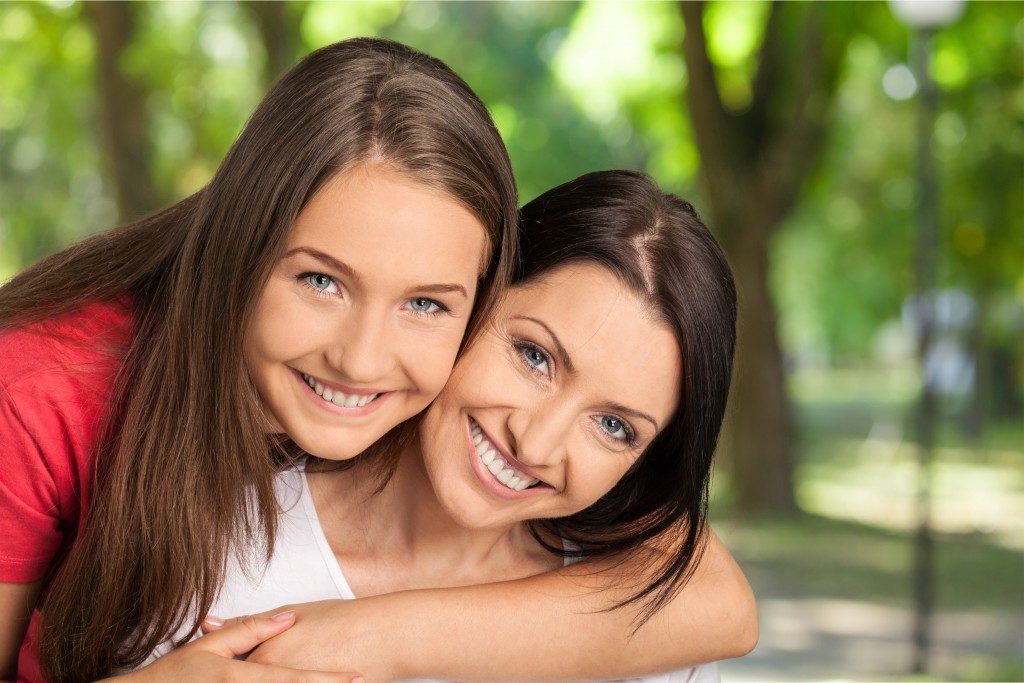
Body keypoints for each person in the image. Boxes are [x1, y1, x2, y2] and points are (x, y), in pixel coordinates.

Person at [0, 38, 754, 683]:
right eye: (321, 280)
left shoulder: (634, 598)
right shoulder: (63, 401)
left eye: (425, 304)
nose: (362, 360)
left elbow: (716, 597)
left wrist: (371, 633)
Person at [138, 171, 742, 683]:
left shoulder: (651, 639)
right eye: (534, 357)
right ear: (469, 299)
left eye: (613, 426)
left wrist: (377, 636)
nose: (535, 444)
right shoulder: (212, 547)